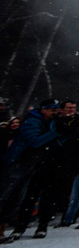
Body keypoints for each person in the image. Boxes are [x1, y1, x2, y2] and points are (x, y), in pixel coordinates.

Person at [0, 100, 60, 242]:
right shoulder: (32, 121)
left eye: (56, 110)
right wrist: (56, 132)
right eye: (52, 110)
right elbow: (35, 141)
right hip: (17, 163)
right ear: (44, 110)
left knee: (15, 200)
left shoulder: (46, 122)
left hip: (29, 165)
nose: (55, 113)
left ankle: (1, 230)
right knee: (4, 196)